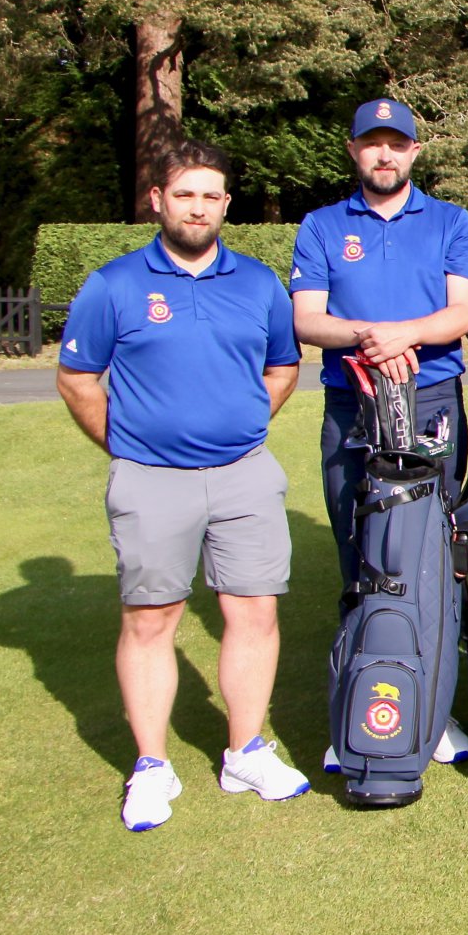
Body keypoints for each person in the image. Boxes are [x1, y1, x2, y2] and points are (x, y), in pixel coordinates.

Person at [58, 141, 309, 830]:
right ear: (158, 199)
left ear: (226, 205)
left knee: (254, 613)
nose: (198, 206)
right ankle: (151, 765)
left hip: (244, 475)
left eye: (211, 195)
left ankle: (245, 749)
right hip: (150, 480)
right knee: (151, 619)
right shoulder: (113, 284)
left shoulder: (258, 283)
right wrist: (128, 443)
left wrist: (241, 426)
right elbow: (78, 379)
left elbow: (283, 369)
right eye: (186, 194)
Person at [292, 97, 468, 770]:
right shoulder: (320, 226)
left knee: (433, 552)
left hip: (431, 397)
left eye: (396, 144)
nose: (384, 154)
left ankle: (434, 708)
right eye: (372, 143)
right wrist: (370, 338)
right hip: (352, 400)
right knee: (359, 553)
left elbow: (463, 311)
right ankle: (357, 701)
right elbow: (308, 318)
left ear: (413, 151)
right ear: (353, 150)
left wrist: (405, 333)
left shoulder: (451, 222)